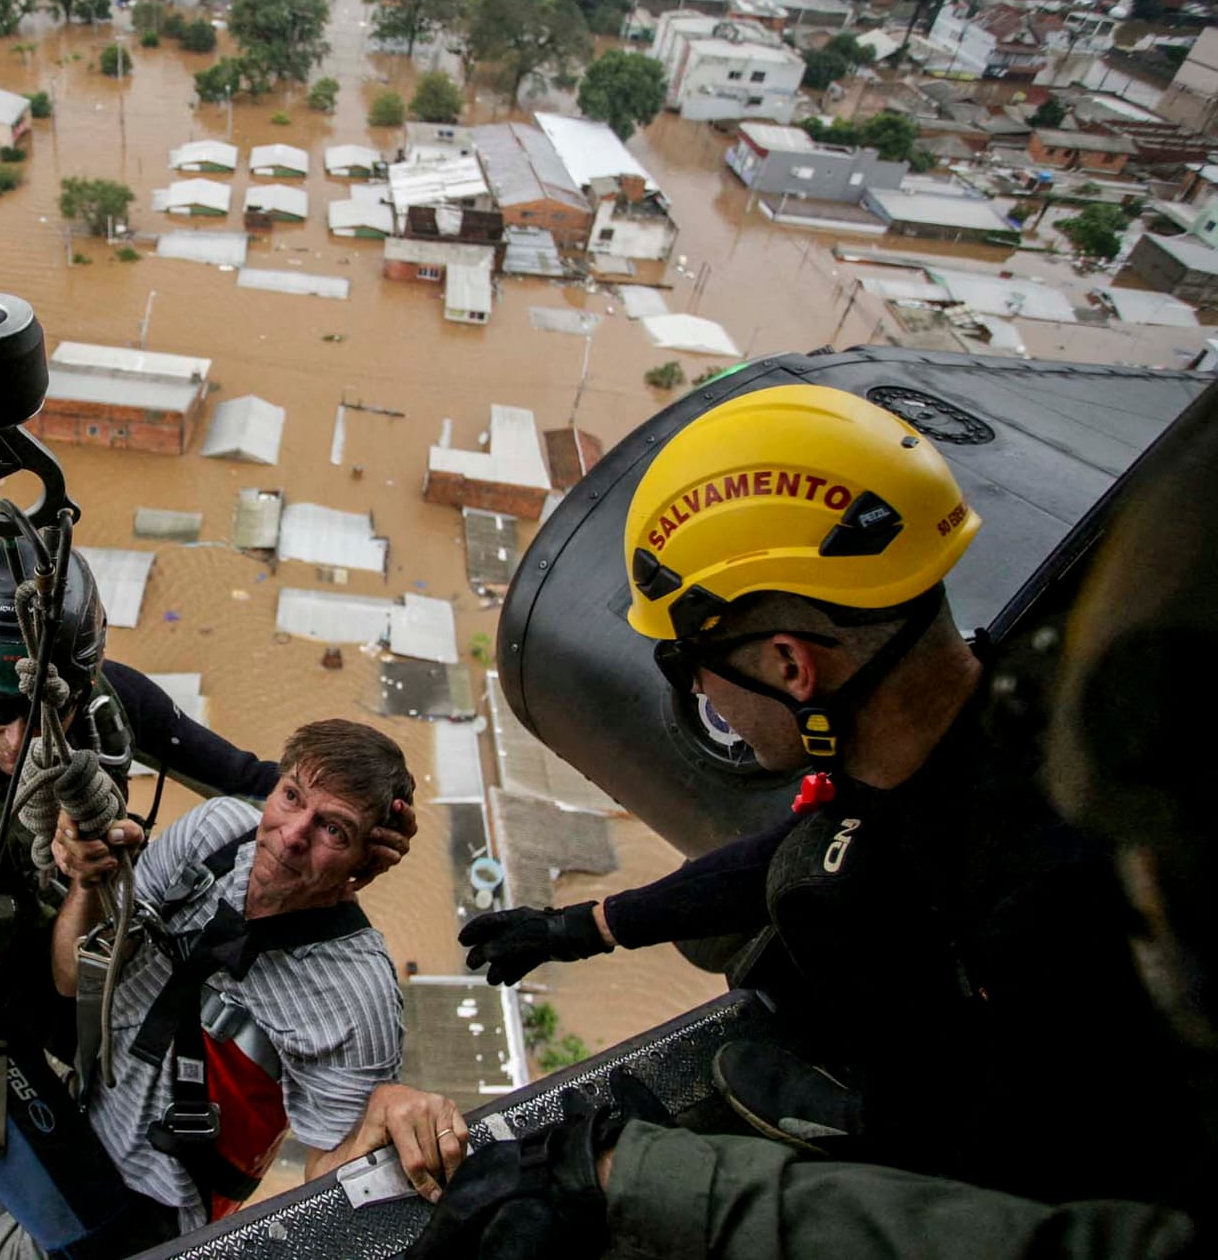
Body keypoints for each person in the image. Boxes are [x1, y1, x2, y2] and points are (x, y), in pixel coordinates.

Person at [411, 384, 1218, 1260]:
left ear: (792, 666)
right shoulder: (980, 725)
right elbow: (811, 841)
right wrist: (585, 924)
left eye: (690, 668)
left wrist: (643, 1191)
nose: (699, 697)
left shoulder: (1047, 912)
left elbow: (995, 1213)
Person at [0, 542, 410, 1260]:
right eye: (0, 705)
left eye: (46, 702)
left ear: (83, 676)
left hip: (67, 993)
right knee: (114, 1241)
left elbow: (259, 784)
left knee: (68, 1189)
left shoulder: (107, 708)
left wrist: (372, 823)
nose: (23, 734)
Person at [0, 720, 469, 1259]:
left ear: (367, 860)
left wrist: (381, 1114)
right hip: (82, 1111)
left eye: (333, 830)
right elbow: (71, 978)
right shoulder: (214, 834)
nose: (293, 834)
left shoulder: (357, 997)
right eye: (291, 797)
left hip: (147, 1206)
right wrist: (89, 880)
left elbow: (329, 1187)